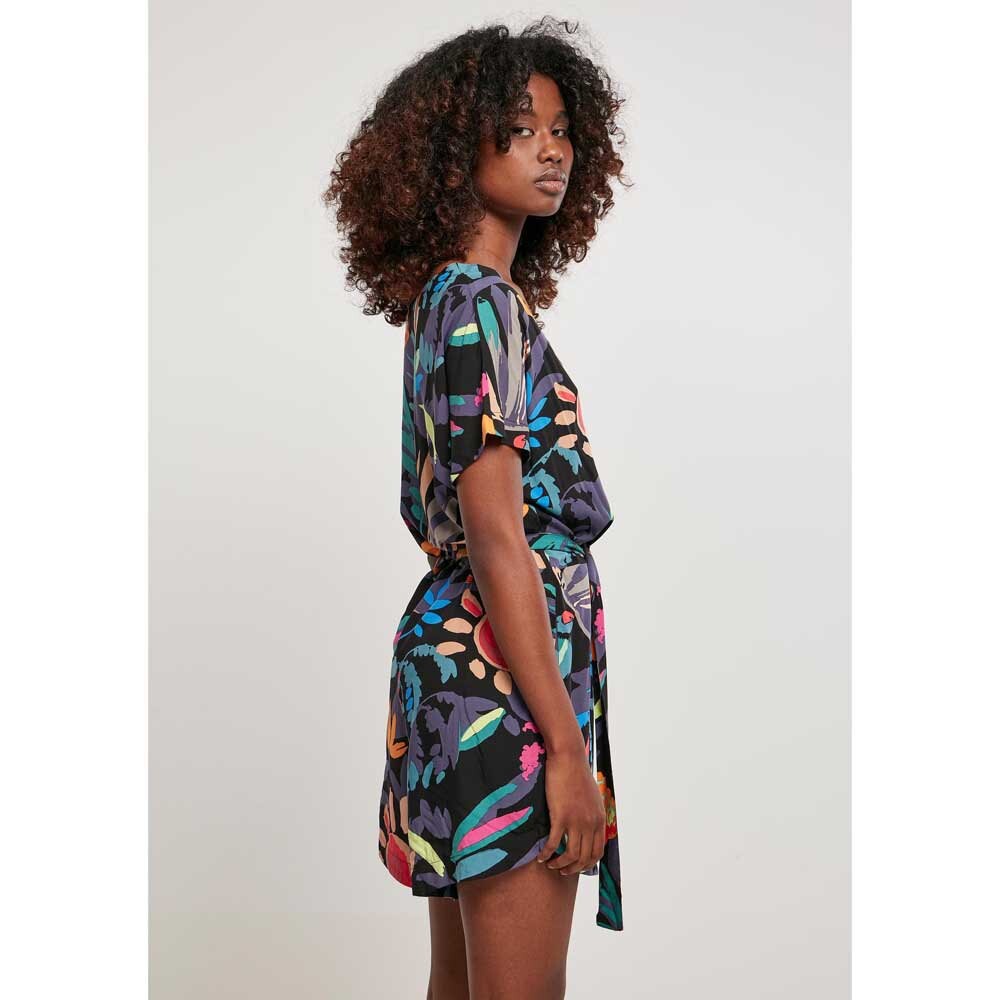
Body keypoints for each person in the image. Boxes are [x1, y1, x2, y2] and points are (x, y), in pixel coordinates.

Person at [323, 16, 630, 999]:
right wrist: (567, 750)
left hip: (464, 661)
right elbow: (497, 534)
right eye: (521, 128)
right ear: (460, 149)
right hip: (500, 676)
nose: (552, 149)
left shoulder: (454, 300)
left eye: (562, 130)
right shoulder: (479, 303)